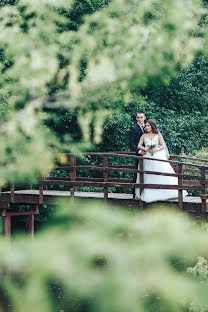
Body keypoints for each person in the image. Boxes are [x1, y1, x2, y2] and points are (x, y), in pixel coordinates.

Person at [135, 119, 187, 202]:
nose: (146, 127)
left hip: (157, 155)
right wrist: (146, 149)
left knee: (161, 171)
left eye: (148, 125)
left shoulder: (157, 134)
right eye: (146, 126)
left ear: (152, 126)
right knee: (148, 174)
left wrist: (156, 149)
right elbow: (138, 145)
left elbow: (162, 146)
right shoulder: (144, 135)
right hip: (147, 156)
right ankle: (150, 194)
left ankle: (168, 192)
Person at [129, 112, 146, 199]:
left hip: (148, 155)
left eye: (141, 117)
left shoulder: (148, 127)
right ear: (136, 118)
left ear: (144, 117)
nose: (140, 119)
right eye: (138, 117)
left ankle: (145, 193)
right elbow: (131, 144)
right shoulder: (133, 128)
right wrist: (139, 151)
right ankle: (135, 194)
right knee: (137, 173)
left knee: (147, 173)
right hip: (138, 155)